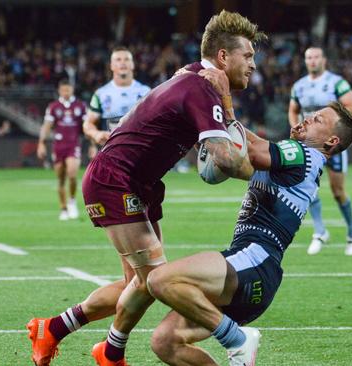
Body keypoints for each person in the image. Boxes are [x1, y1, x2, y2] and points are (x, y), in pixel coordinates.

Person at [27, 10, 265, 366]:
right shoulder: (202, 87)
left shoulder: (194, 76)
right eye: (247, 56)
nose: (253, 65)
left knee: (138, 285)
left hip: (140, 183)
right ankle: (223, 338)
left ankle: (56, 330)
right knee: (157, 279)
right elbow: (226, 161)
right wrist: (268, 173)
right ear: (222, 57)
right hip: (114, 179)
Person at [146, 100, 352, 365]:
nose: (307, 119)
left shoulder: (302, 152)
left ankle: (236, 339)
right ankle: (235, 338)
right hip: (253, 273)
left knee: (159, 280)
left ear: (331, 141)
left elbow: (254, 150)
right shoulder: (300, 160)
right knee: (166, 342)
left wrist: (215, 104)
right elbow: (242, 161)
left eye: (317, 120)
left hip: (254, 261)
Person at [288, 47, 352, 256]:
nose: (312, 61)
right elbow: (293, 109)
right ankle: (320, 231)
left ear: (324, 59)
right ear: (305, 61)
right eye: (308, 57)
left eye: (316, 57)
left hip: (331, 145)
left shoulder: (336, 83)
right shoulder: (299, 86)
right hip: (310, 144)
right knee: (308, 188)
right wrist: (297, 128)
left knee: (338, 192)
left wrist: (328, 120)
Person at [83, 47, 151, 155]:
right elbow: (88, 124)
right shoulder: (101, 94)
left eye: (126, 59)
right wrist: (96, 134)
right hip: (111, 154)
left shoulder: (146, 92)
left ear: (132, 64)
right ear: (111, 65)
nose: (123, 63)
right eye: (118, 60)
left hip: (139, 153)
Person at [37, 80, 87, 220]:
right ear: (59, 91)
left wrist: (93, 145)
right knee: (60, 178)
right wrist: (41, 143)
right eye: (64, 90)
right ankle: (63, 208)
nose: (66, 93)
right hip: (59, 146)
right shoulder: (53, 107)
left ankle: (72, 201)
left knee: (72, 174)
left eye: (68, 90)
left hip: (73, 144)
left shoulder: (80, 106)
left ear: (72, 90)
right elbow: (47, 126)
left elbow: (87, 125)